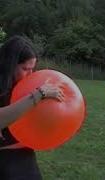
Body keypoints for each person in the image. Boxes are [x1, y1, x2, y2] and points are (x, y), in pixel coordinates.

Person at [0, 35, 64, 179]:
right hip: (5, 161)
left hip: (25, 156)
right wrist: (38, 94)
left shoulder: (26, 86)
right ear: (9, 65)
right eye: (25, 69)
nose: (30, 74)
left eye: (32, 69)